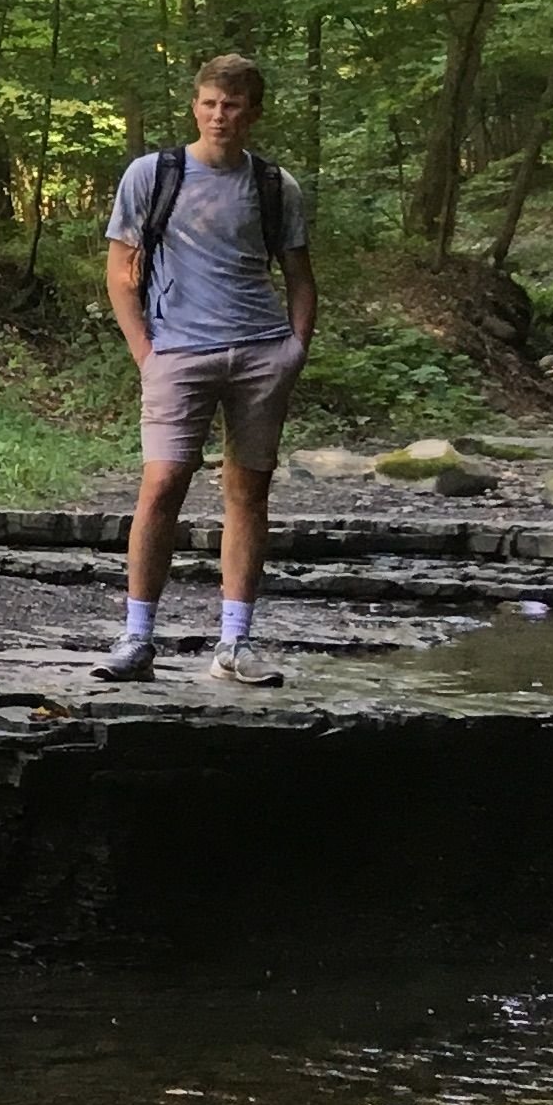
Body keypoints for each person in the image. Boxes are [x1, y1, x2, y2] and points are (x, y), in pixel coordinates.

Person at [98, 52, 314, 687]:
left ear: (254, 113)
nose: (221, 116)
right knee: (162, 484)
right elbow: (120, 271)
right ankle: (138, 637)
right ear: (194, 105)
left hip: (259, 351)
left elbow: (300, 277)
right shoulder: (152, 175)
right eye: (211, 103)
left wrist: (294, 347)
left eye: (234, 105)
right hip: (177, 352)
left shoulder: (276, 186)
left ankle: (234, 643)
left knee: (248, 493)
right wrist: (145, 350)